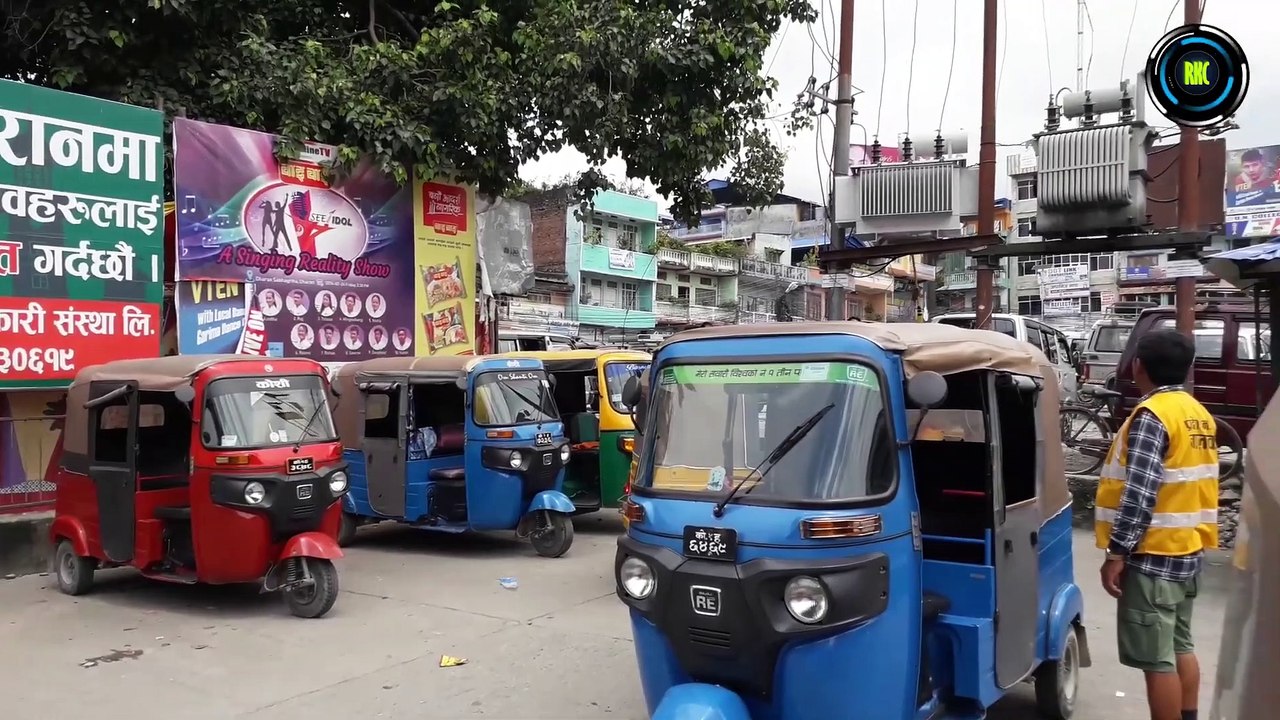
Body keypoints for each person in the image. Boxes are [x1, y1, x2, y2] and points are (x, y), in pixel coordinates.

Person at [1094, 330, 1219, 720]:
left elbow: (1140, 493)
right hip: (1188, 550)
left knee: (1157, 661)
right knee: (1181, 644)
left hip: (1154, 555)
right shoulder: (1197, 413)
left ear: (1138, 368)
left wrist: (1117, 552)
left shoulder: (1152, 416)